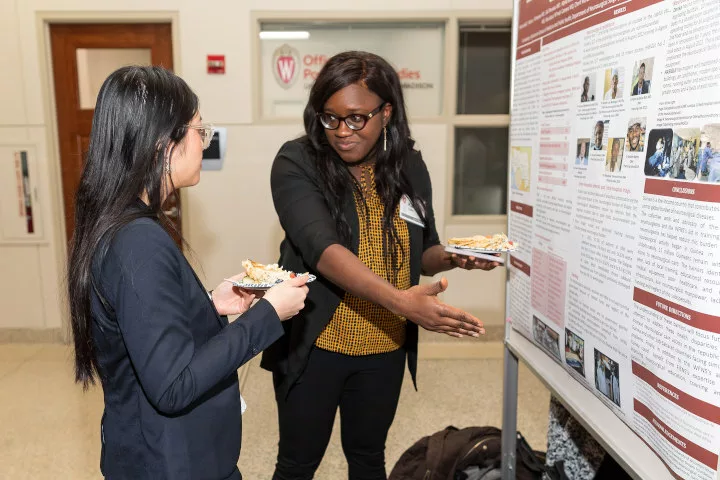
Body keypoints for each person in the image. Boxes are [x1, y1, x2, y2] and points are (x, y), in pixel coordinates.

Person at [261, 51, 499, 480]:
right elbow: (323, 250)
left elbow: (422, 252)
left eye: (356, 118)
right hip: (315, 345)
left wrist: (455, 257)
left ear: (386, 112)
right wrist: (403, 303)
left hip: (384, 347)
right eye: (329, 118)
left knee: (368, 457)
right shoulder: (296, 163)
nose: (340, 132)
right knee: (297, 463)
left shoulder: (408, 163)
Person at [66, 66, 309, 480]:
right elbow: (173, 384)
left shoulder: (122, 224)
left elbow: (145, 332)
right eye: (199, 129)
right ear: (164, 144)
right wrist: (267, 315)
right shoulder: (137, 240)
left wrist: (209, 304)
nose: (204, 142)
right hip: (169, 463)